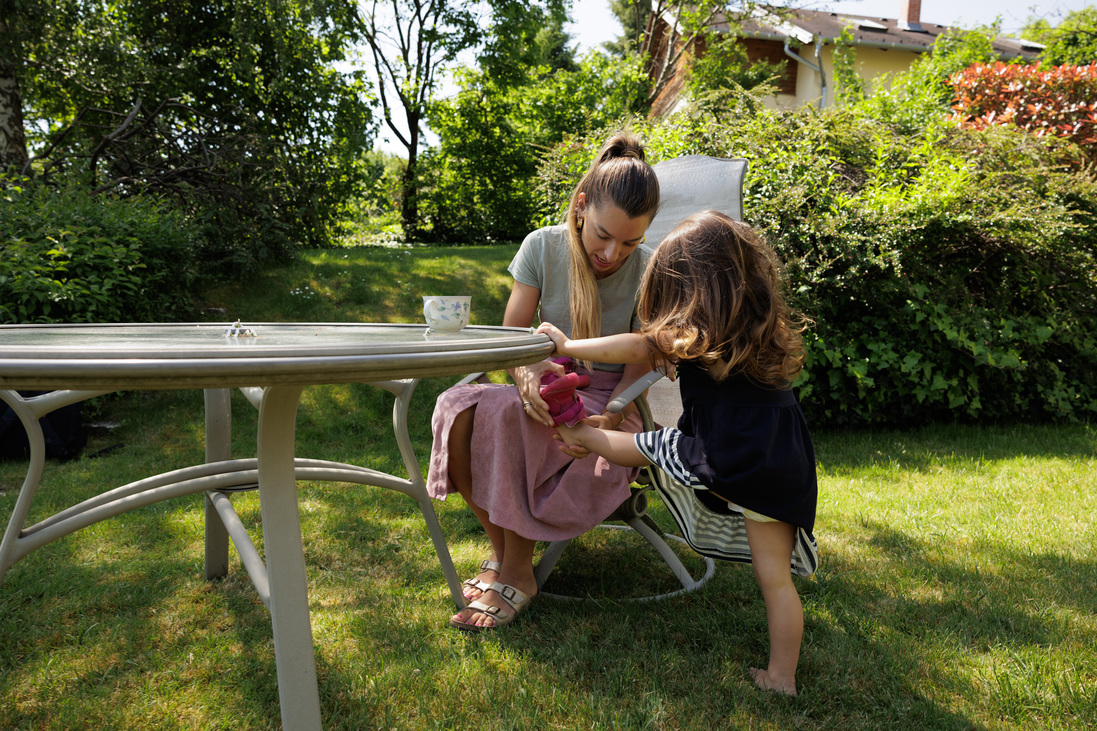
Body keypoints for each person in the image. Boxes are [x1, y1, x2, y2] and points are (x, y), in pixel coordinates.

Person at [536, 210, 819, 697]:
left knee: (650, 447)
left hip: (726, 452)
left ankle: (584, 439)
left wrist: (568, 343)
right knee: (775, 581)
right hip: (781, 459)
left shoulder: (692, 334)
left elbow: (635, 346)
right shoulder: (754, 327)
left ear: (688, 289)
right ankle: (782, 678)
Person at [427, 132, 661, 632]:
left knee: (514, 416)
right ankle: (502, 553)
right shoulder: (542, 246)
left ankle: (515, 572)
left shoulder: (649, 270)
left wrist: (612, 414)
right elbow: (512, 335)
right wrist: (529, 373)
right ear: (580, 207)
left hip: (608, 401)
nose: (612, 252)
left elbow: (642, 363)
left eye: (630, 241)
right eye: (603, 234)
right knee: (458, 406)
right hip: (538, 383)